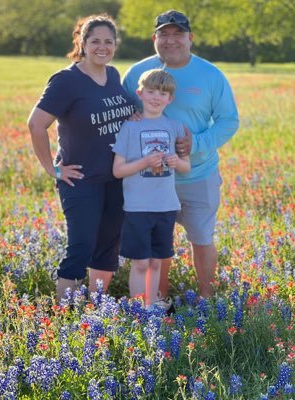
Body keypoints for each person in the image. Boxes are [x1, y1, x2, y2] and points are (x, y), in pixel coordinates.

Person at [122, 10, 239, 298]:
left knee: (201, 238)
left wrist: (196, 143)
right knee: (158, 242)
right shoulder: (136, 73)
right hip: (151, 179)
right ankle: (159, 300)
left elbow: (229, 120)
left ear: (190, 38)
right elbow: (121, 113)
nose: (170, 40)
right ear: (154, 38)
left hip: (198, 173)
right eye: (164, 34)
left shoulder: (210, 75)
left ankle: (207, 299)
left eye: (178, 34)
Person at [27, 14, 135, 302]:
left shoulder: (113, 75)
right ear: (82, 43)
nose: (103, 47)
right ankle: (67, 317)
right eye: (95, 41)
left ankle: (96, 308)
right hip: (81, 180)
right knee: (81, 246)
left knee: (107, 248)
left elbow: (120, 118)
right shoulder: (66, 80)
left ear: (115, 45)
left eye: (108, 41)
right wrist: (53, 169)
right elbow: (36, 125)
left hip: (115, 177)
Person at [112, 69, 190, 309]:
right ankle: (138, 308)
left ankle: (153, 303)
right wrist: (145, 162)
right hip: (138, 207)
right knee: (140, 263)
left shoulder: (176, 127)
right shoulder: (129, 128)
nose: (157, 97)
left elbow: (186, 166)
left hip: (166, 205)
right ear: (140, 94)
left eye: (163, 93)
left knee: (157, 261)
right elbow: (118, 170)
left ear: (170, 99)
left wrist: (178, 162)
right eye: (151, 91)